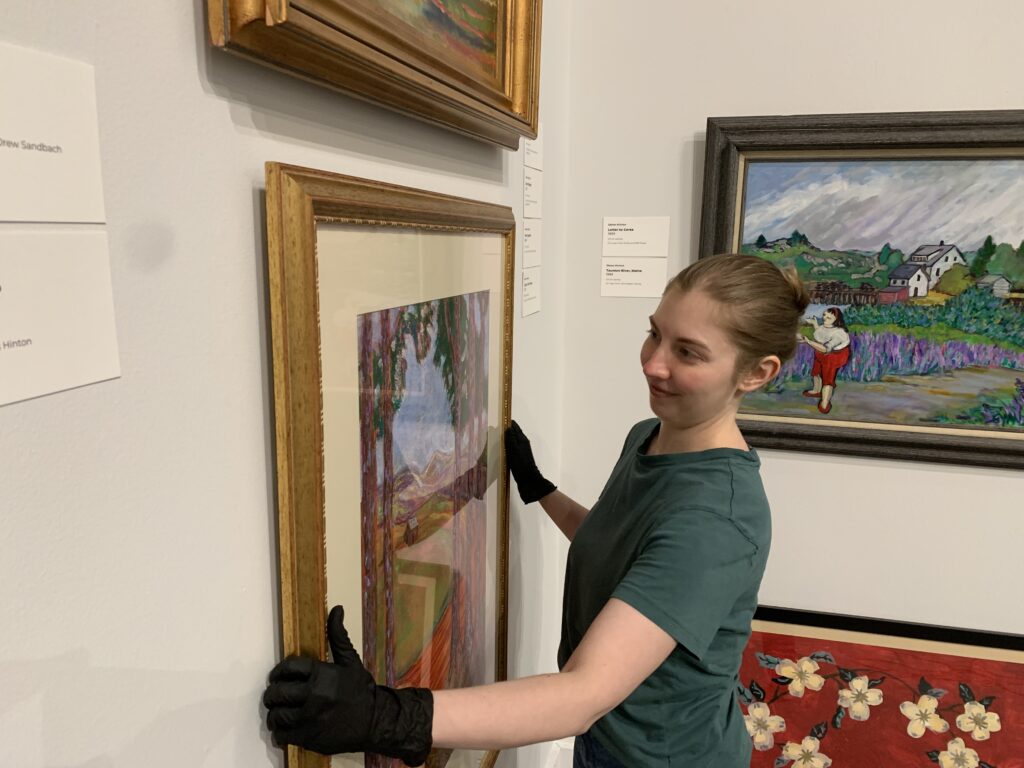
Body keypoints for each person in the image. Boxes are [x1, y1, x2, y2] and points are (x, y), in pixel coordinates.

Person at [261, 253, 810, 767]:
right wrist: (540, 488)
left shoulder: (719, 519)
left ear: (756, 373)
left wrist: (384, 716)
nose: (653, 363)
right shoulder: (652, 435)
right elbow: (622, 553)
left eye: (687, 352)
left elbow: (582, 694)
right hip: (606, 739)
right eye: (654, 333)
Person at [797, 306, 851, 414]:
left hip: (835, 356)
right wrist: (814, 324)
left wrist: (808, 342)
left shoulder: (839, 333)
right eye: (824, 316)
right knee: (816, 371)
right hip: (822, 352)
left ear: (837, 319)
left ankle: (825, 403)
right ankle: (817, 390)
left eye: (829, 317)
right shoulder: (824, 327)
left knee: (828, 379)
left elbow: (826, 348)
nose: (825, 318)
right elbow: (820, 336)